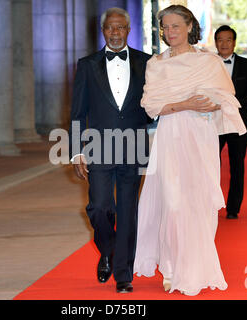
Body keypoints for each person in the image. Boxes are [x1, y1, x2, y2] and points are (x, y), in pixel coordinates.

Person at [133, 5, 247, 296]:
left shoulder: (208, 62)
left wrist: (204, 102)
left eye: (176, 26)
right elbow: (151, 105)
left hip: (200, 137)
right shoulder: (156, 64)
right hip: (170, 135)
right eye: (166, 27)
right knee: (172, 204)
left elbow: (224, 99)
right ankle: (170, 268)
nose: (170, 32)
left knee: (197, 203)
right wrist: (186, 103)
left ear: (189, 27)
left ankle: (194, 267)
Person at [69, 7, 151, 293]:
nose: (115, 33)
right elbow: (78, 112)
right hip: (98, 147)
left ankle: (123, 275)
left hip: (134, 145)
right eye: (109, 28)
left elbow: (153, 106)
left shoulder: (147, 63)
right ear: (102, 31)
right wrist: (76, 150)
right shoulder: (87, 65)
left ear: (128, 30)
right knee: (100, 206)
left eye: (120, 28)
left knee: (128, 210)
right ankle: (108, 249)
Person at [214, 25, 247, 219]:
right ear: (216, 43)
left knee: (237, 167)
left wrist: (235, 104)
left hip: (238, 122)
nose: (224, 44)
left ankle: (233, 209)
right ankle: (210, 205)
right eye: (220, 40)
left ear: (234, 42)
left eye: (228, 40)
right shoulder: (208, 64)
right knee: (210, 166)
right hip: (213, 122)